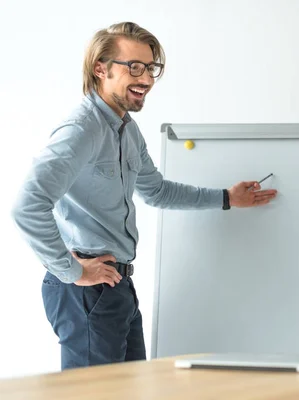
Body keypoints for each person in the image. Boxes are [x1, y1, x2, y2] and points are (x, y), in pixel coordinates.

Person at [11, 22, 277, 370]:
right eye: (134, 67)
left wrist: (227, 198)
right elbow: (27, 207)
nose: (147, 79)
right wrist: (71, 270)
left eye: (151, 68)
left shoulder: (127, 130)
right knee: (95, 397)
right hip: (85, 290)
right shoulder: (82, 130)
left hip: (115, 285)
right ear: (100, 69)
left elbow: (156, 190)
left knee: (130, 390)